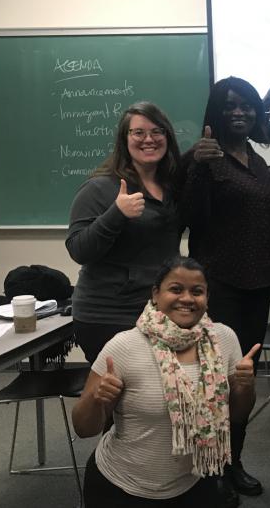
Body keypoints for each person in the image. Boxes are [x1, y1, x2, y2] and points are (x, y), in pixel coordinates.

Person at [71, 256, 258, 506]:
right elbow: (84, 429)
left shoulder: (223, 339)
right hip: (121, 487)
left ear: (207, 298)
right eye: (176, 289)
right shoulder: (124, 346)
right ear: (155, 294)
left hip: (193, 482)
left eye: (197, 291)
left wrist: (244, 387)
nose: (187, 298)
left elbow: (237, 415)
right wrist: (98, 400)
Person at [177, 76, 270, 500]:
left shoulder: (254, 158)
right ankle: (210, 469)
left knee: (243, 379)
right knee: (213, 381)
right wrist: (198, 167)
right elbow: (190, 218)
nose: (239, 112)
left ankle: (234, 461)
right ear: (215, 112)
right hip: (219, 286)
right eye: (231, 105)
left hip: (258, 286)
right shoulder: (202, 157)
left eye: (248, 106)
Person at [66, 101, 183, 364]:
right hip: (108, 315)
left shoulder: (171, 185)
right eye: (138, 133)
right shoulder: (99, 187)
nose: (149, 139)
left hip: (157, 310)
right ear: (124, 139)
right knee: (120, 396)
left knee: (154, 393)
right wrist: (116, 213)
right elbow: (78, 249)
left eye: (157, 131)